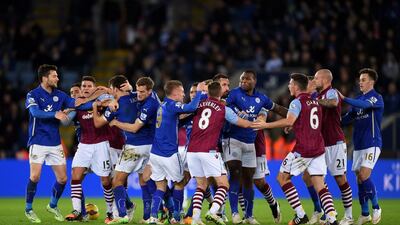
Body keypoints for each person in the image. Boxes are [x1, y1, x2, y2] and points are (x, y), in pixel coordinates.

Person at [252, 73, 339, 225]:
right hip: (318, 148)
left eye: (290, 84)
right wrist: (294, 126)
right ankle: (332, 218)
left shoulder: (296, 102)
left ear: (296, 87)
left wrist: (266, 125)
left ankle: (300, 214)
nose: (288, 86)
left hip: (303, 150)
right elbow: (306, 121)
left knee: (282, 178)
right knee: (319, 184)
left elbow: (290, 119)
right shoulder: (316, 101)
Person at [24, 64, 90, 223]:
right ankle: (29, 209)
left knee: (62, 179)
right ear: (45, 78)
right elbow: (35, 112)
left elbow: (78, 105)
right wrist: (56, 114)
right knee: (35, 176)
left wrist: (98, 102)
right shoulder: (33, 94)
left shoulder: (60, 95)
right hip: (38, 140)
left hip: (54, 142)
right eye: (54, 76)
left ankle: (52, 205)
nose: (57, 78)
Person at [223, 70, 286, 224]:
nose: (243, 81)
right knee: (236, 176)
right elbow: (224, 107)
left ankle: (268, 205)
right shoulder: (233, 95)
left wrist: (294, 118)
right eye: (241, 78)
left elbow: (276, 108)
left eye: (247, 79)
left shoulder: (261, 99)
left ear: (255, 81)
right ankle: (238, 214)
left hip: (253, 143)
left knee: (256, 181)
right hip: (234, 140)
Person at [93, 76, 160, 224]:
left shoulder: (115, 107)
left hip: (134, 146)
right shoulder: (142, 96)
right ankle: (147, 217)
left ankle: (122, 214)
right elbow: (135, 92)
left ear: (116, 89)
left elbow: (98, 123)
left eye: (112, 90)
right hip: (151, 146)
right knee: (145, 181)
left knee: (117, 181)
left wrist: (96, 107)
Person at [187, 81, 253, 225]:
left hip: (191, 151)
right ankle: (213, 212)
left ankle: (195, 219)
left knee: (201, 186)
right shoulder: (224, 109)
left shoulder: (198, 104)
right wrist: (257, 122)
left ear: (208, 92)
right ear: (220, 93)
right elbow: (243, 123)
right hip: (209, 151)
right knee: (224, 184)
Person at [148, 80, 205, 224]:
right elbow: (192, 106)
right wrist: (199, 92)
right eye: (182, 92)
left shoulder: (163, 106)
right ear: (174, 93)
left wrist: (194, 116)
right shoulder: (173, 105)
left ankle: (153, 217)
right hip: (169, 154)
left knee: (160, 186)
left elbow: (177, 123)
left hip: (155, 154)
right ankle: (176, 217)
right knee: (179, 183)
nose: (184, 94)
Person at [65, 76, 115, 223]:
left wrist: (102, 94)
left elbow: (110, 97)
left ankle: (110, 212)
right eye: (84, 86)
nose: (85, 88)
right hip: (84, 145)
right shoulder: (78, 103)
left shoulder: (101, 100)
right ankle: (77, 210)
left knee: (106, 181)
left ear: (94, 88)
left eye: (88, 86)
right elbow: (68, 117)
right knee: (75, 176)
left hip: (101, 145)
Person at [339, 68, 384, 225]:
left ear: (371, 82)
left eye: (364, 79)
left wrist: (344, 98)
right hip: (358, 146)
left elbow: (363, 105)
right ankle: (365, 213)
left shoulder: (376, 98)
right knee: (359, 179)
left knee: (364, 175)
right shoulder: (358, 101)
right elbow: (345, 119)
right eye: (360, 79)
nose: (360, 82)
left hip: (372, 143)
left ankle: (376, 207)